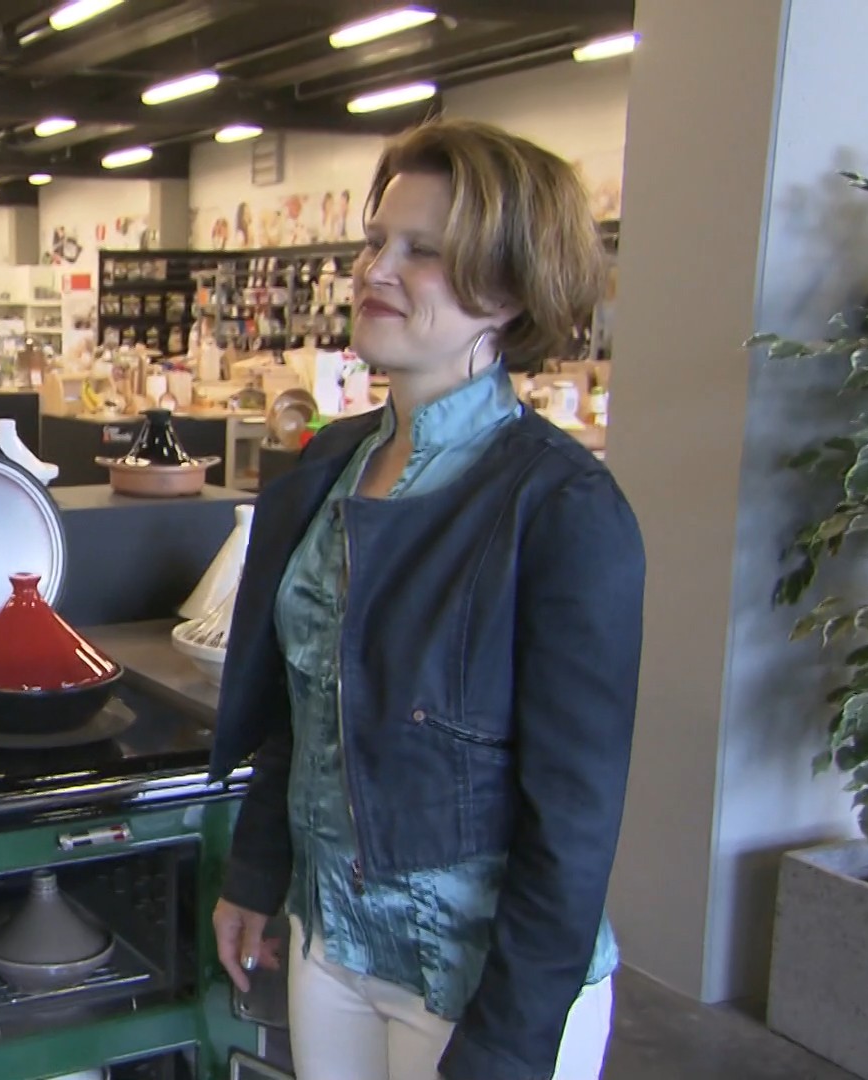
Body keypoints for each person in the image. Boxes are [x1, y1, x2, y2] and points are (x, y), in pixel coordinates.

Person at [207, 118, 643, 1080]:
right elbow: (303, 708)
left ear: (510, 290)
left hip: (477, 980)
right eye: (376, 241)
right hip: (332, 945)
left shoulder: (561, 507)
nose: (377, 269)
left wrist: (511, 1043)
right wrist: (257, 871)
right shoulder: (328, 466)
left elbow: (573, 818)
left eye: (424, 251)